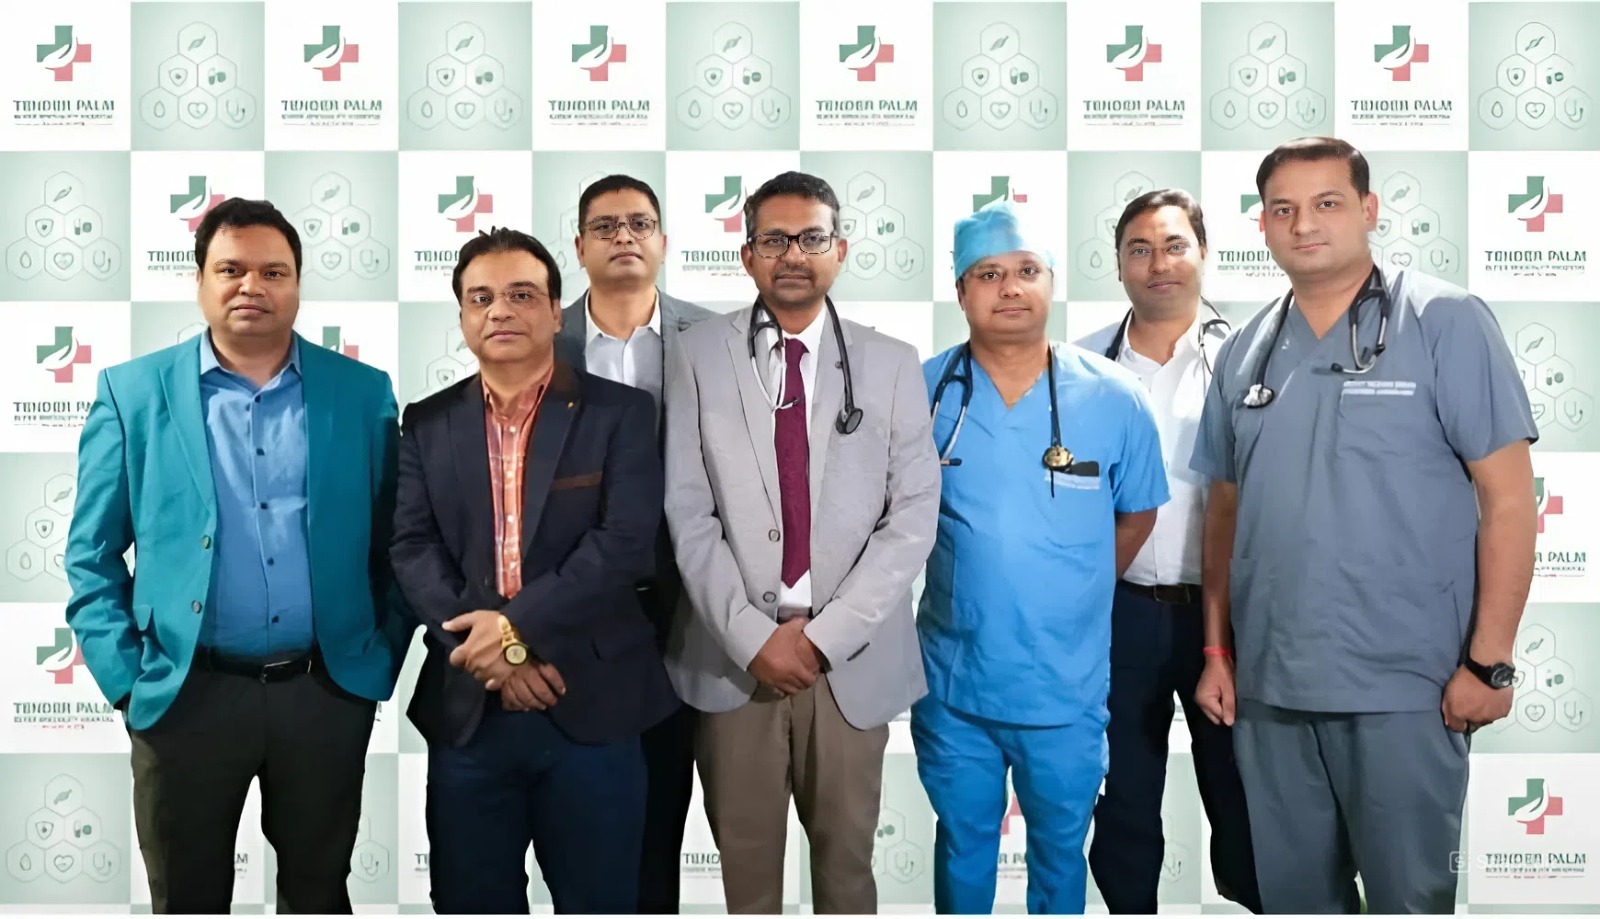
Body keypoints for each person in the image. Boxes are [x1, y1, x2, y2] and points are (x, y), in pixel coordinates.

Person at [1190, 137, 1537, 914]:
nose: (1304, 224)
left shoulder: (1444, 320)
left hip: (1407, 685)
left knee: (1408, 897)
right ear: (1263, 224)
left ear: (1369, 210)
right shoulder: (1244, 351)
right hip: (1273, 687)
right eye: (1283, 208)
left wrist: (1490, 663)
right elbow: (1224, 513)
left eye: (1327, 203)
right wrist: (1217, 650)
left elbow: (1510, 499)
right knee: (1294, 901)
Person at [64, 197, 409, 914]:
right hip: (183, 695)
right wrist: (128, 683)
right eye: (231, 269)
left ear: (298, 284)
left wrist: (375, 657)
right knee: (187, 898)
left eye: (273, 271)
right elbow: (90, 554)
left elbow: (399, 542)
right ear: (199, 281)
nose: (252, 285)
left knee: (319, 894)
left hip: (324, 693)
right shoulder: (132, 393)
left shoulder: (362, 392)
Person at [663, 171, 940, 914]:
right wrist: (753, 637)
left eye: (812, 238)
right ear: (747, 254)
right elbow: (687, 510)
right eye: (775, 239)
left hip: (850, 662)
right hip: (733, 659)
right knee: (747, 882)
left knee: (847, 875)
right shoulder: (696, 353)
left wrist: (823, 637)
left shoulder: (891, 361)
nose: (793, 254)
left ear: (840, 250)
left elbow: (913, 516)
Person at [391, 227, 675, 914]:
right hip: (472, 709)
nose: (500, 310)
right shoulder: (427, 422)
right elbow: (412, 548)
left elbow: (624, 543)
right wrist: (495, 656)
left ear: (554, 311)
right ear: (463, 317)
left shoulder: (620, 412)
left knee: (605, 901)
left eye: (521, 295)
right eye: (480, 298)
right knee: (470, 901)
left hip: (594, 700)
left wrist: (515, 633)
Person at [915, 198, 1169, 915]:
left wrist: (1076, 583)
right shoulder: (922, 391)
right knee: (963, 846)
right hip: (953, 684)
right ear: (961, 290)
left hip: (1065, 687)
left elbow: (1138, 512)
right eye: (988, 273)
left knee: (1061, 856)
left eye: (1027, 270)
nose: (1010, 288)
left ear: (1052, 282)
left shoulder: (1115, 396)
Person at [1077, 189, 1261, 914]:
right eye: (1140, 249)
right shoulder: (1080, 366)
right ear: (1119, 263)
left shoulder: (1249, 357)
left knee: (1245, 797)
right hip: (1117, 615)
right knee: (1122, 803)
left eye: (1175, 245)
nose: (1158, 264)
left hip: (1230, 621)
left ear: (1203, 254)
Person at [554, 174, 716, 914]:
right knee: (574, 821)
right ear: (579, 245)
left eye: (639, 223)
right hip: (566, 609)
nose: (623, 236)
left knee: (660, 812)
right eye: (606, 225)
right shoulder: (538, 335)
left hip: (685, 609)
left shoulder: (718, 341)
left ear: (664, 241)